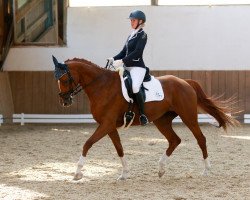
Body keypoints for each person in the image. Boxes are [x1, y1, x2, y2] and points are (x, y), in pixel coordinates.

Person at [107, 10, 149, 126]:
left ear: (140, 21)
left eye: (133, 20)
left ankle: (142, 114)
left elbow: (137, 52)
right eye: (131, 20)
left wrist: (122, 61)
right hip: (127, 67)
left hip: (137, 67)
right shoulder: (131, 35)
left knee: (135, 87)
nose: (131, 22)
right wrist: (113, 59)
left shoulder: (143, 35)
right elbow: (123, 52)